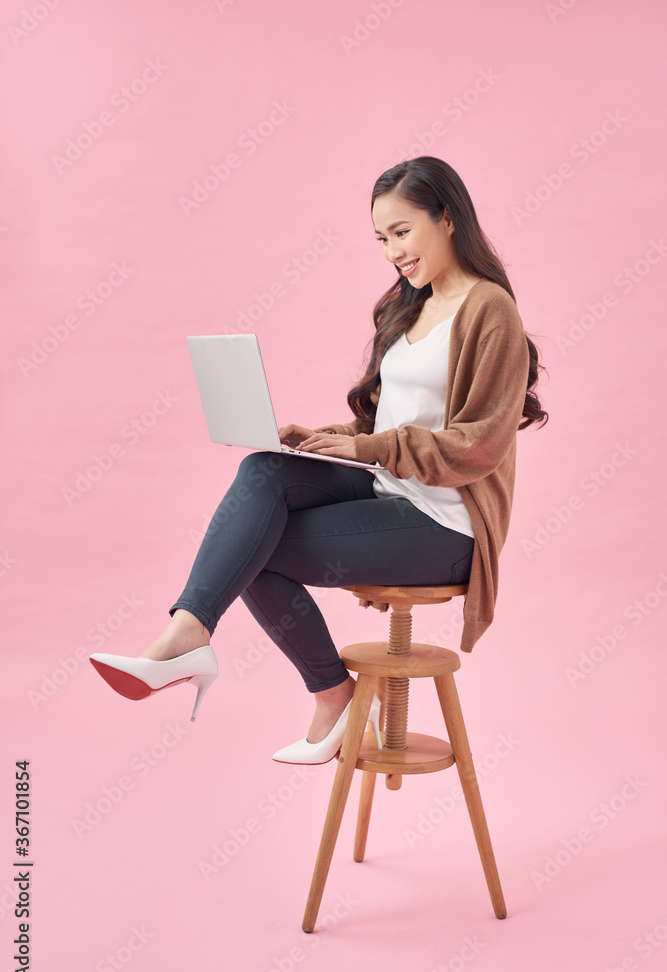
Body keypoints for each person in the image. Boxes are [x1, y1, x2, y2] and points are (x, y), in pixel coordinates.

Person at [90, 155, 548, 764]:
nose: (392, 252)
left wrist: (369, 448)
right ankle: (200, 635)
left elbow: (480, 445)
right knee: (262, 472)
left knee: (252, 545)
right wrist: (322, 438)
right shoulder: (407, 308)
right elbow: (385, 425)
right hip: (391, 495)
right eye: (382, 239)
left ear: (448, 218)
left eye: (402, 232)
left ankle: (318, 690)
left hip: (448, 526)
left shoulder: (490, 310)